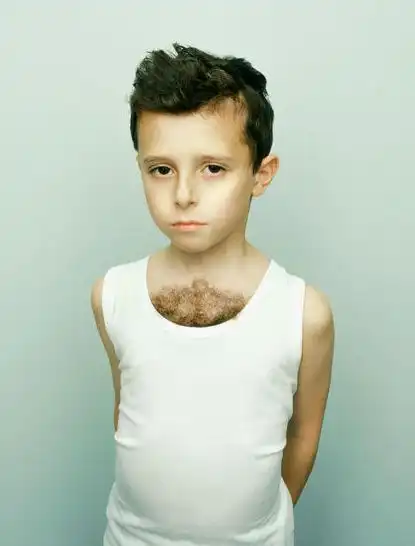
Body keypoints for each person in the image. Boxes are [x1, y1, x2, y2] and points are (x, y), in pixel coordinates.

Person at [91, 42, 334, 546]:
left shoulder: (303, 313)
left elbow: (303, 436)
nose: (183, 195)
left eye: (213, 168)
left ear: (261, 175)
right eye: (161, 169)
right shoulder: (112, 296)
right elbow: (128, 413)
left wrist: (255, 528)